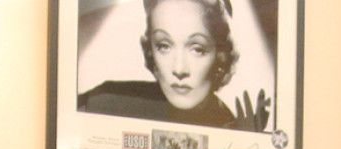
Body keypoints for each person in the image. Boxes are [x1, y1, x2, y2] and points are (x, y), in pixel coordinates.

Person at [78, 0, 268, 132]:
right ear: (151, 50)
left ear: (219, 57)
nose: (179, 69)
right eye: (164, 46)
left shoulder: (228, 122)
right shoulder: (106, 101)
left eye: (197, 49)